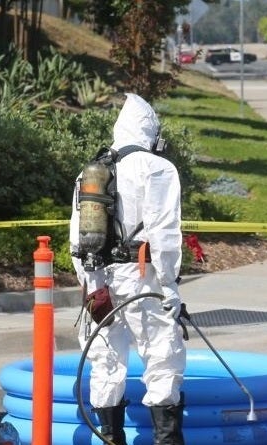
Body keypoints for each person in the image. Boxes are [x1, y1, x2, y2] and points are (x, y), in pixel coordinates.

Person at [70, 93, 187, 445]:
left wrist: (91, 285)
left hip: (100, 279)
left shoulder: (88, 173)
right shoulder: (158, 169)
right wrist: (170, 288)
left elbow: (76, 237)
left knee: (105, 361)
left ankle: (110, 437)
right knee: (163, 355)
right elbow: (164, 234)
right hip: (142, 278)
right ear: (150, 131)